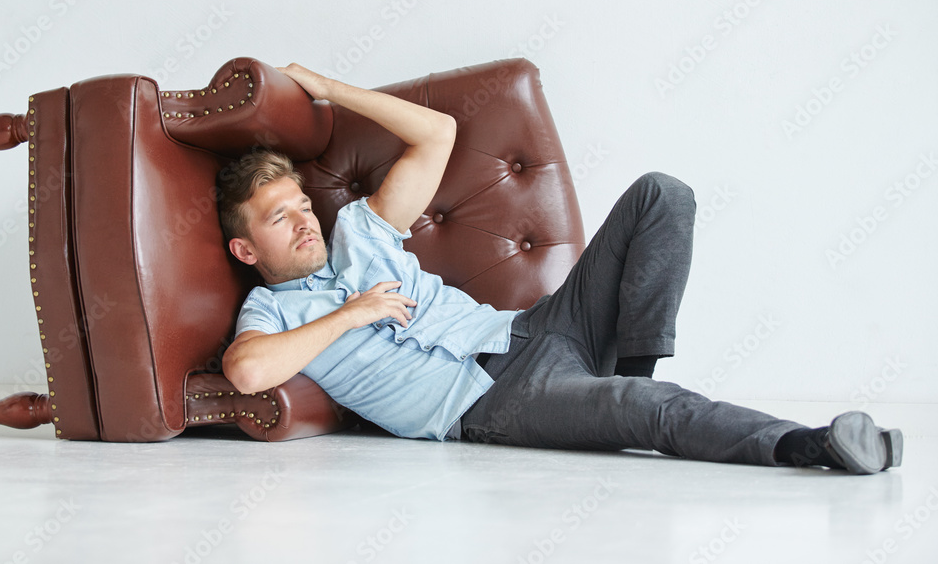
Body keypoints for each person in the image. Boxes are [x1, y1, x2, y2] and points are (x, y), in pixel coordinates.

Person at [217, 63, 902, 475]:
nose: (306, 218)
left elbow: (439, 134)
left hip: (536, 329)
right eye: (280, 217)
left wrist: (329, 88)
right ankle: (809, 446)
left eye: (301, 202)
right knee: (640, 412)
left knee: (661, 195)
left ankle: (624, 388)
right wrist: (351, 313)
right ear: (247, 250)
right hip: (488, 401)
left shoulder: (360, 233)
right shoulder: (273, 314)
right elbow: (247, 372)